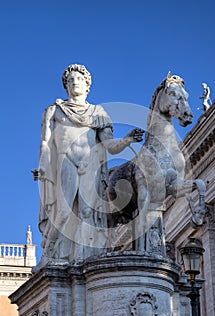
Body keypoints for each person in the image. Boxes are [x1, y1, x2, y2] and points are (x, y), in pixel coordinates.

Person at [36, 64, 143, 266]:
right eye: (70, 80)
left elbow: (110, 146)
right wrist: (43, 165)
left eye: (79, 79)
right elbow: (45, 142)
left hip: (90, 164)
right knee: (64, 212)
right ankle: (48, 256)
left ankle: (83, 258)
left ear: (87, 86)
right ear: (66, 86)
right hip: (66, 160)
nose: (74, 82)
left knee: (88, 213)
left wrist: (127, 140)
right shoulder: (54, 110)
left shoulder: (98, 113)